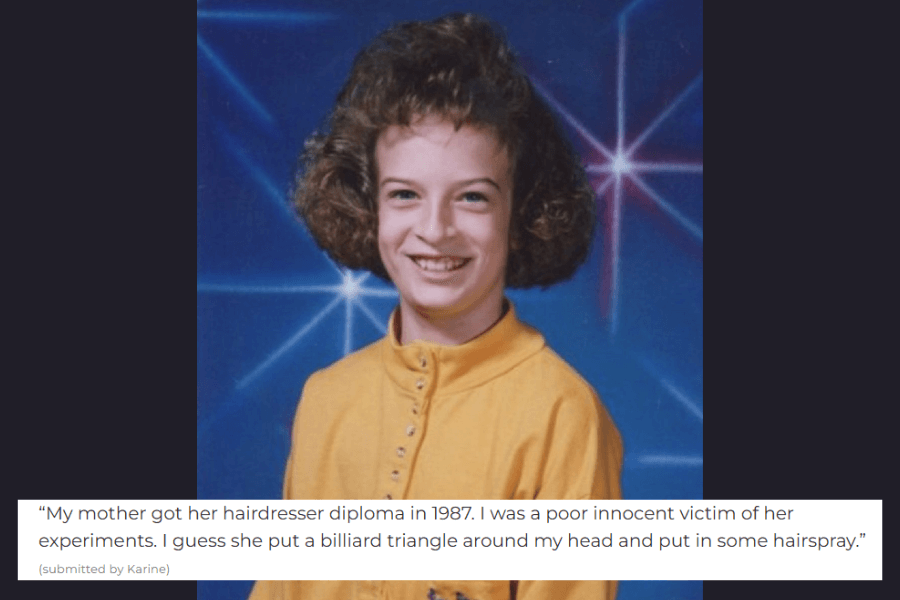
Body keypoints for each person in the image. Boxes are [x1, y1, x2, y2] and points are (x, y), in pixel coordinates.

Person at [249, 12, 623, 600]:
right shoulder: (325, 398)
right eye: (405, 195)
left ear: (520, 213)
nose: (434, 229)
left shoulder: (561, 414)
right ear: (369, 206)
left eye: (472, 197)